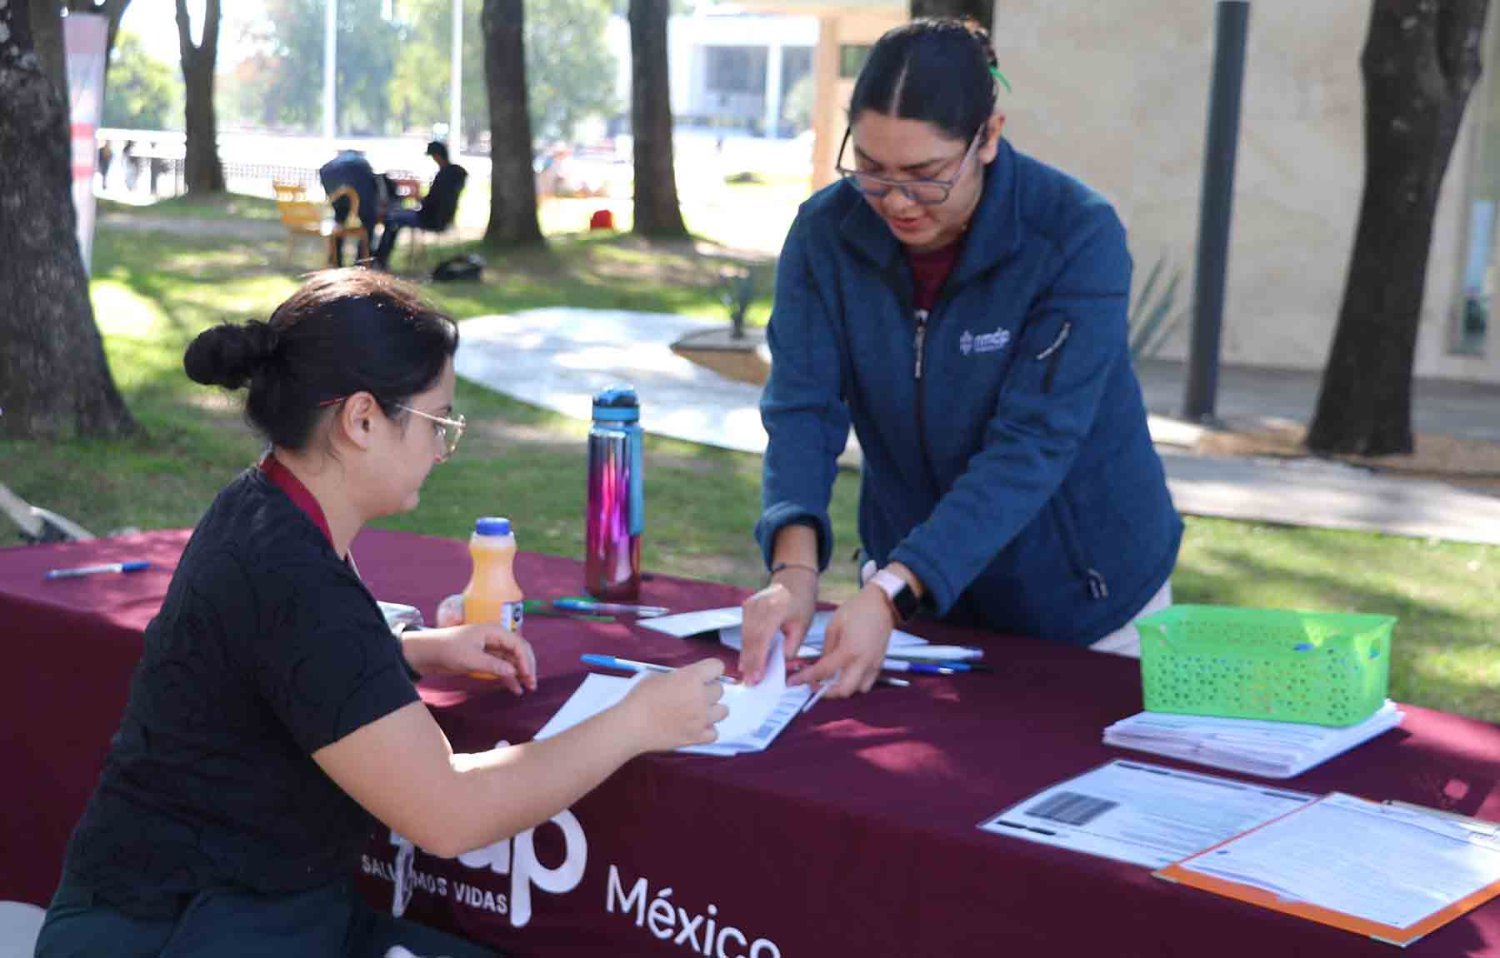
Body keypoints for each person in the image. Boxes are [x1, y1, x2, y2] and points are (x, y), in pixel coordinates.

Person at [35, 270, 728, 957]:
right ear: (361, 419)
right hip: (184, 927)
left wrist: (414, 650)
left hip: (231, 905)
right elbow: (450, 814)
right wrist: (639, 719)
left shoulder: (264, 505)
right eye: (438, 422)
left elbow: (280, 668)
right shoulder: (292, 574)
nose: (442, 447)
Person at [739, 19, 1182, 698]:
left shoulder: (1072, 234)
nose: (895, 200)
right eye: (871, 168)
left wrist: (892, 592)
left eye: (925, 175)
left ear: (989, 137)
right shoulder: (824, 235)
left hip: (1087, 603)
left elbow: (1032, 445)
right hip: (916, 606)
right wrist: (791, 575)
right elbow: (802, 411)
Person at [374, 140, 468, 268]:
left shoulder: (443, 176)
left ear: (437, 156)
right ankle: (380, 258)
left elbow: (431, 202)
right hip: (445, 218)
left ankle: (380, 259)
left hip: (429, 219)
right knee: (398, 216)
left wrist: (416, 198)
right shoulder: (455, 174)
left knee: (392, 219)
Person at [319, 148, 384, 267]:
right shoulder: (361, 163)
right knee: (369, 222)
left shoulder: (334, 164)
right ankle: (362, 261)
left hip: (338, 194)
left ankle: (336, 260)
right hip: (361, 196)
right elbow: (374, 188)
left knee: (339, 220)